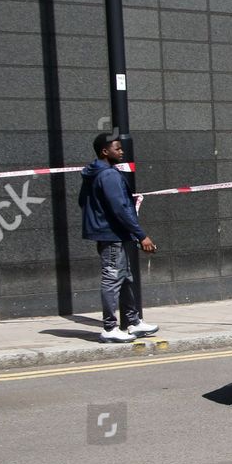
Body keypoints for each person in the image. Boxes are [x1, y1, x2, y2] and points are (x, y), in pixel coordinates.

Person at [80, 132, 158, 343]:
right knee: (112, 279)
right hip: (112, 235)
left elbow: (83, 202)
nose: (121, 151)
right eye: (117, 148)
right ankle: (109, 327)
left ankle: (133, 322)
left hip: (111, 233)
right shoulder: (109, 175)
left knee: (124, 278)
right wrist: (141, 235)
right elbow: (121, 209)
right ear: (105, 151)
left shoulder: (94, 173)